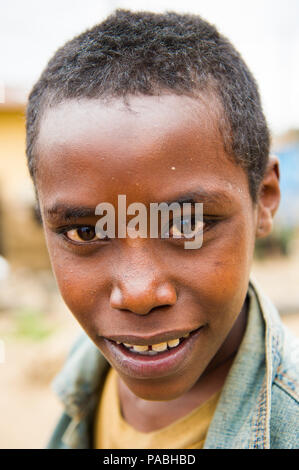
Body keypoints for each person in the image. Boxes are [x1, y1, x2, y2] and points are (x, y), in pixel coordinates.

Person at [25, 9, 298, 449]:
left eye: (187, 224)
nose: (137, 293)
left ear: (263, 199)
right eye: (86, 233)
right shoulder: (86, 371)